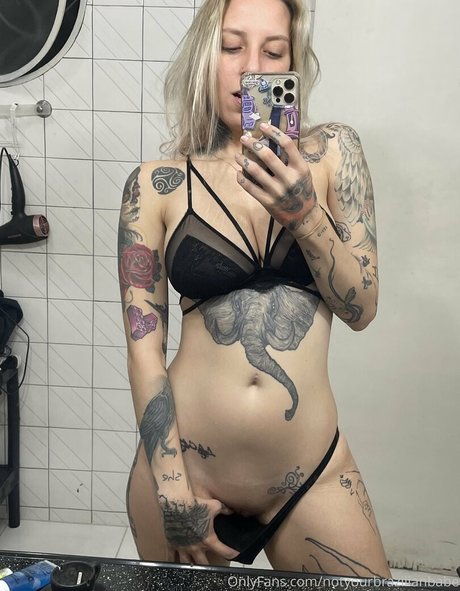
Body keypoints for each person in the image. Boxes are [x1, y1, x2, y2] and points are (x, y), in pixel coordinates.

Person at [118, 0, 391, 577]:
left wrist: (305, 215)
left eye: (273, 51)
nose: (251, 69)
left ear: (293, 65)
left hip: (309, 474)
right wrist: (172, 490)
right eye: (232, 46)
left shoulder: (333, 153)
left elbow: (362, 309)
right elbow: (145, 353)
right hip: (186, 477)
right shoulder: (156, 185)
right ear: (204, 55)